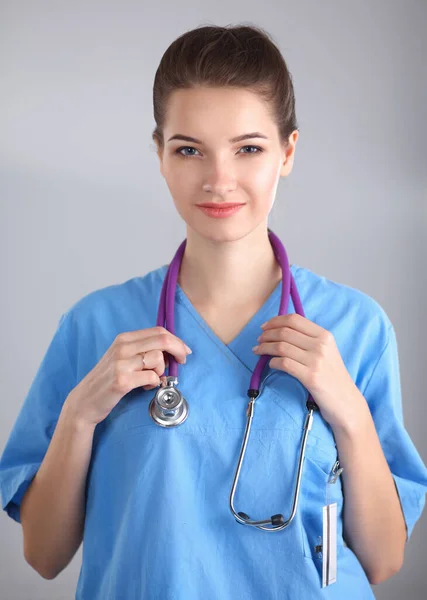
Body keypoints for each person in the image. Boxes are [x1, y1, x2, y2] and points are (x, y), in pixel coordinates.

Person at [1, 23, 426, 600]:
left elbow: (384, 561)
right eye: (189, 150)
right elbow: (43, 556)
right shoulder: (95, 326)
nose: (219, 180)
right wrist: (79, 415)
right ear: (160, 155)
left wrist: (347, 408)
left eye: (249, 148)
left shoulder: (356, 327)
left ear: (288, 153)